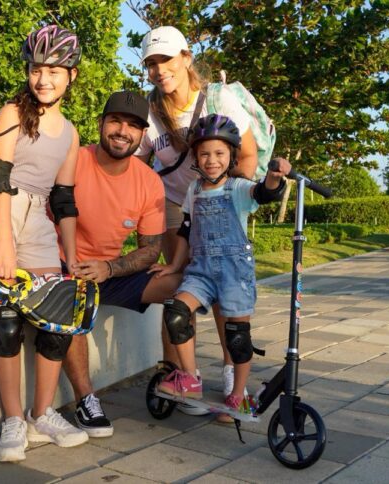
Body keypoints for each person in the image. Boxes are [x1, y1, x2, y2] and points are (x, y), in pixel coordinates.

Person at [0, 90, 187, 437]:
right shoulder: (73, 156)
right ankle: (85, 398)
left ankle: (177, 376)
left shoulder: (149, 181)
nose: (123, 131)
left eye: (133, 126)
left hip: (109, 271)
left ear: (142, 136)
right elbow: (9, 176)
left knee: (183, 287)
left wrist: (109, 269)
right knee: (71, 295)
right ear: (101, 124)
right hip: (63, 266)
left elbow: (149, 249)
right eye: (116, 121)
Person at [0, 24, 87, 462]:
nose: (43, 79)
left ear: (72, 74)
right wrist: (4, 247)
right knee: (6, 316)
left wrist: (69, 256)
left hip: (39, 222)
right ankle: (14, 421)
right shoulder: (11, 112)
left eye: (54, 70)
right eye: (36, 69)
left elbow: (63, 199)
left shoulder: (70, 133)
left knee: (56, 319)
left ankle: (41, 413)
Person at [136, 26, 261, 396]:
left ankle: (230, 375)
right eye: (152, 63)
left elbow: (249, 154)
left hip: (222, 198)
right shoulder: (149, 111)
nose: (160, 70)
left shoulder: (218, 101)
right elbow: (138, 167)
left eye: (167, 60)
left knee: (225, 296)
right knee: (179, 289)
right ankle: (179, 375)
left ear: (186, 58)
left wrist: (229, 196)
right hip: (175, 203)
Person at [149, 114, 289, 417]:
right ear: (195, 157)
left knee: (237, 338)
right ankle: (189, 379)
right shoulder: (194, 190)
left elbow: (263, 193)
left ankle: (237, 395)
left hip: (233, 273)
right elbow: (186, 230)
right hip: (200, 271)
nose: (211, 160)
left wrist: (275, 178)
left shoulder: (238, 188)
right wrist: (174, 266)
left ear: (232, 156)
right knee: (176, 314)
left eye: (219, 153)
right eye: (204, 153)